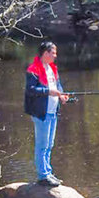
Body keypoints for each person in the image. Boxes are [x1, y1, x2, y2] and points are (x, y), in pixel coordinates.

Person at [24, 41, 69, 187]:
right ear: (45, 53)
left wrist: (61, 95)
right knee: (42, 145)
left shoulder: (52, 69)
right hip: (40, 113)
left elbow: (58, 86)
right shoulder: (33, 69)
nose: (55, 56)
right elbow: (31, 90)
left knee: (50, 144)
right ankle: (43, 176)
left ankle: (48, 173)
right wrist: (49, 92)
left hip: (52, 112)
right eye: (53, 53)